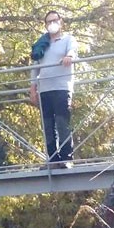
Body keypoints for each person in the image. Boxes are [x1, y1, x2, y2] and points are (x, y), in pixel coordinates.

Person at [29, 10, 78, 168]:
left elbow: (73, 52)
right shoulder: (41, 44)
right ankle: (52, 160)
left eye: (54, 20)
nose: (52, 24)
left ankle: (66, 158)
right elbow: (34, 67)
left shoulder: (68, 39)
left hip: (62, 87)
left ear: (60, 21)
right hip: (44, 89)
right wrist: (32, 88)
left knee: (62, 123)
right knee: (47, 126)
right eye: (48, 22)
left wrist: (69, 57)